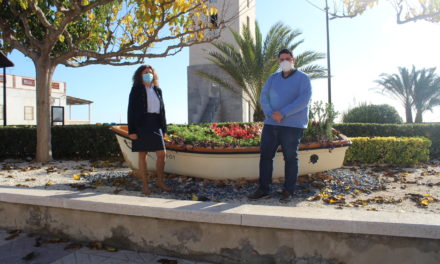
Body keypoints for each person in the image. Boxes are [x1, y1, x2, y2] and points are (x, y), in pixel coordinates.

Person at [248, 49, 312, 203]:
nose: (285, 61)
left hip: (292, 126)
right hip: (271, 124)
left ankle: (288, 191)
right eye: (282, 59)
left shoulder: (303, 78)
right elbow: (264, 97)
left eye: (287, 58)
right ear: (278, 62)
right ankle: (264, 189)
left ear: (293, 60)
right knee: (265, 156)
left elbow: (304, 99)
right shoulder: (273, 78)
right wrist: (271, 113)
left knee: (290, 158)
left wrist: (283, 113)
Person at [127, 65, 171, 195]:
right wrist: (132, 131)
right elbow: (131, 110)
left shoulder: (158, 90)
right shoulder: (136, 90)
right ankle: (145, 185)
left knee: (162, 154)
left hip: (155, 123)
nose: (148, 74)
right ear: (140, 75)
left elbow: (162, 111)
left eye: (150, 72)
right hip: (141, 124)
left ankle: (160, 182)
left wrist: (164, 129)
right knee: (142, 155)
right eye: (145, 72)